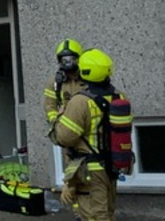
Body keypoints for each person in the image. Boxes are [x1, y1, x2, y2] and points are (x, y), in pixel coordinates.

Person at [53, 49, 131, 221]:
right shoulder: (119, 97)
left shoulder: (80, 101)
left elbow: (64, 138)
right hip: (111, 166)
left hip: (89, 171)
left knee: (95, 215)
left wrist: (59, 117)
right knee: (107, 212)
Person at [44, 39, 86, 126]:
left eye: (72, 59)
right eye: (65, 60)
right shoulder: (55, 83)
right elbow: (49, 106)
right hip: (66, 129)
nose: (68, 63)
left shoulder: (88, 80)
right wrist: (56, 122)